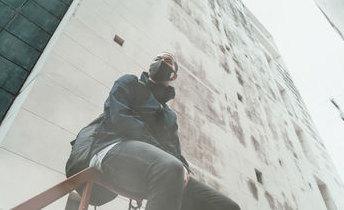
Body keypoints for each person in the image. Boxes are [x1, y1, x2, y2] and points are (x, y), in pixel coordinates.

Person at [65, 52, 241, 210]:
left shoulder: (169, 116)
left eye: (167, 60)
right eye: (157, 59)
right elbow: (120, 119)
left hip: (160, 169)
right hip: (110, 147)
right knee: (171, 166)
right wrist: (172, 162)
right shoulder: (129, 82)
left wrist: (184, 169)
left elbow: (174, 150)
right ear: (150, 67)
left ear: (174, 75)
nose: (161, 62)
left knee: (227, 206)